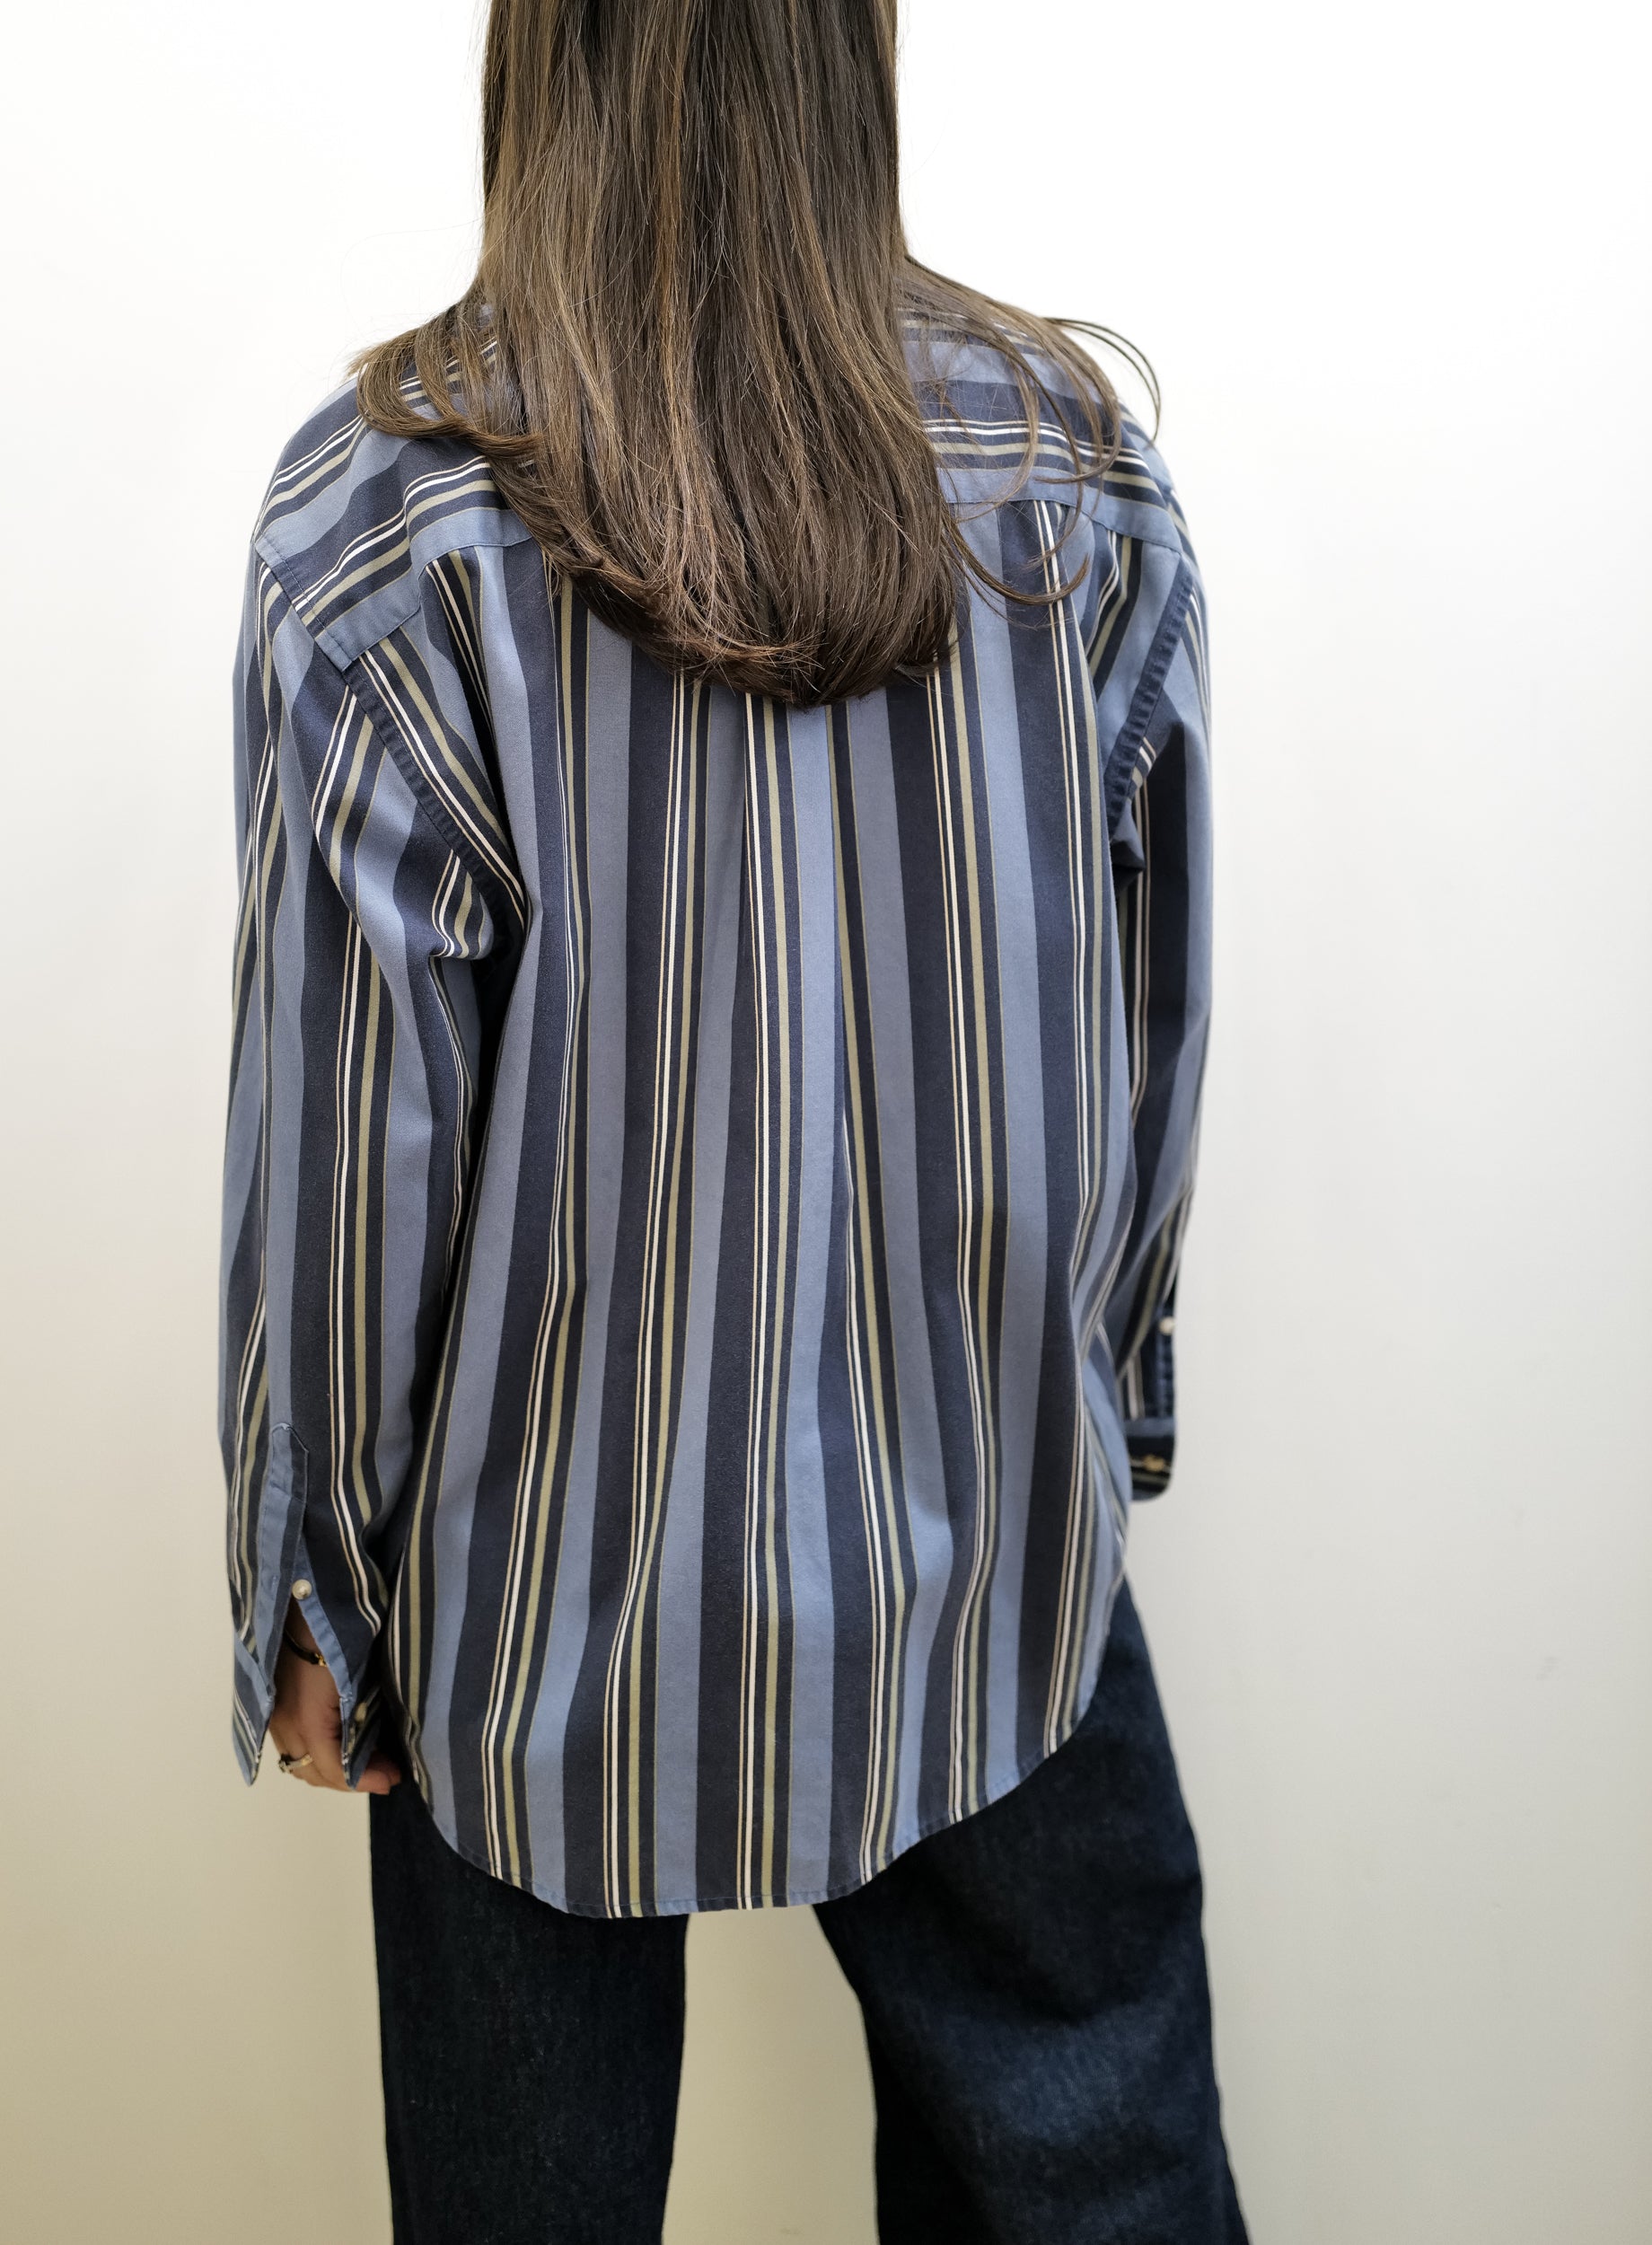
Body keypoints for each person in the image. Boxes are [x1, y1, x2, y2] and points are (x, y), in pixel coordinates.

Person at [218, 1, 1242, 2237]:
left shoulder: (386, 520)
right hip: (988, 1546)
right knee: (1101, 2177)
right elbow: (1149, 1036)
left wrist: (316, 1582)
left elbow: (354, 1146)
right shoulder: (1071, 473)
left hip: (537, 1605)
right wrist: (1106, 1403)